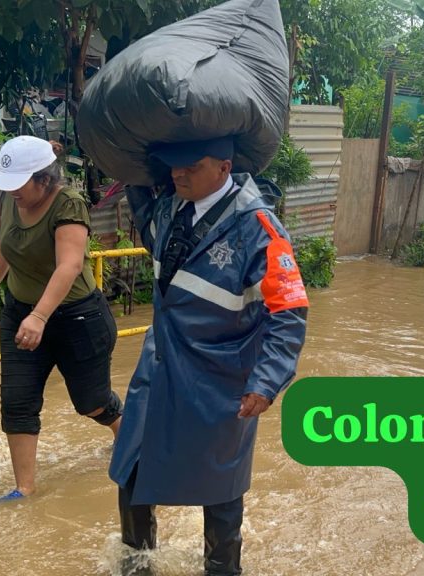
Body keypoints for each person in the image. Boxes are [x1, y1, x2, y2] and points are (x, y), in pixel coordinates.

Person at [110, 136, 309, 575]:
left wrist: (265, 381)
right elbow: (144, 208)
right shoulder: (169, 208)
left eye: (190, 166)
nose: (178, 174)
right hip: (158, 367)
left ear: (224, 166)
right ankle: (137, 565)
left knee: (220, 492)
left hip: (221, 378)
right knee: (132, 472)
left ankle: (222, 570)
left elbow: (290, 312)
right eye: (173, 167)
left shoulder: (259, 228)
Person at [0, 135, 123, 502]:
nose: (12, 192)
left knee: (91, 402)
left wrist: (40, 316)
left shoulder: (69, 205)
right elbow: (7, 244)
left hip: (76, 318)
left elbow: (71, 265)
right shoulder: (16, 200)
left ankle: (129, 435)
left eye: (19, 184)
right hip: (20, 315)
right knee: (17, 402)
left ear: (43, 179)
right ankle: (23, 489)